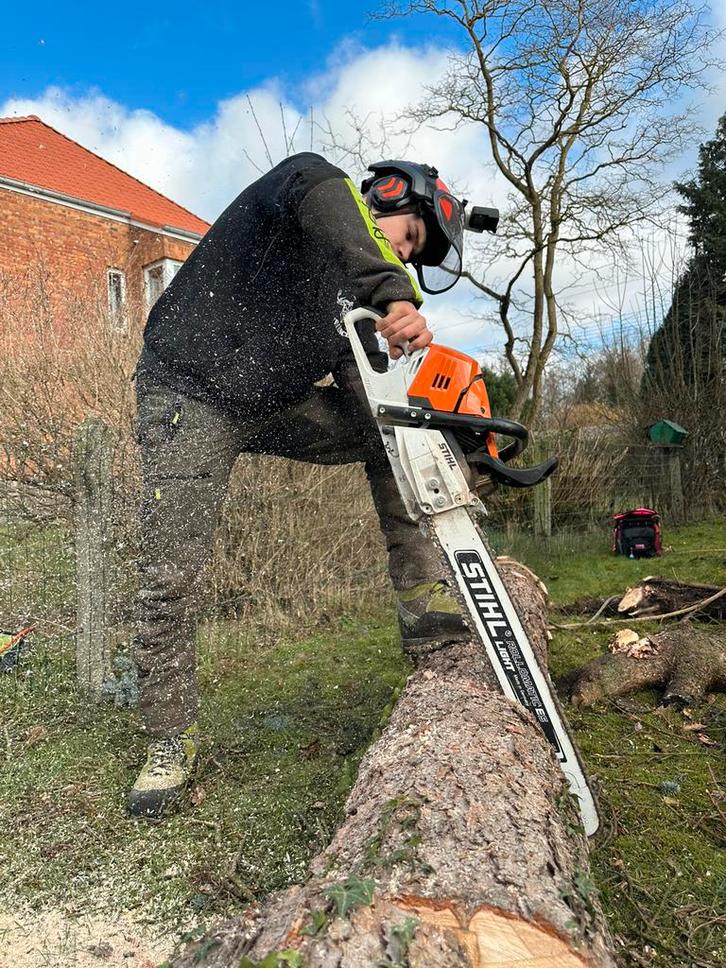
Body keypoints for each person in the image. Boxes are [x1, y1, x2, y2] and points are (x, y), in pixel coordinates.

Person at [129, 153, 470, 817]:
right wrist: (394, 289)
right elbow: (328, 196)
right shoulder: (308, 188)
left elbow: (362, 384)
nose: (403, 254)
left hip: (271, 403)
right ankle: (170, 736)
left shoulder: (351, 302)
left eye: (411, 253)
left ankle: (424, 602)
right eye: (409, 238)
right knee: (170, 575)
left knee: (389, 428)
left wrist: (432, 430)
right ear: (388, 197)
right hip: (187, 392)